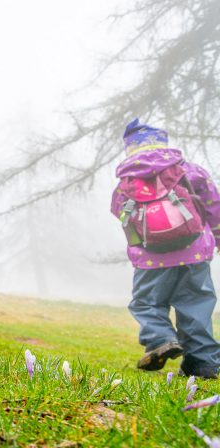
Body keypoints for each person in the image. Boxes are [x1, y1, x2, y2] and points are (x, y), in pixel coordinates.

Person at [111, 119, 220, 378]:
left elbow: (118, 210)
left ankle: (160, 340)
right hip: (194, 253)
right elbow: (213, 203)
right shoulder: (190, 171)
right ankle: (203, 364)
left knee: (147, 303)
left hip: (151, 259)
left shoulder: (126, 181)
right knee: (195, 306)